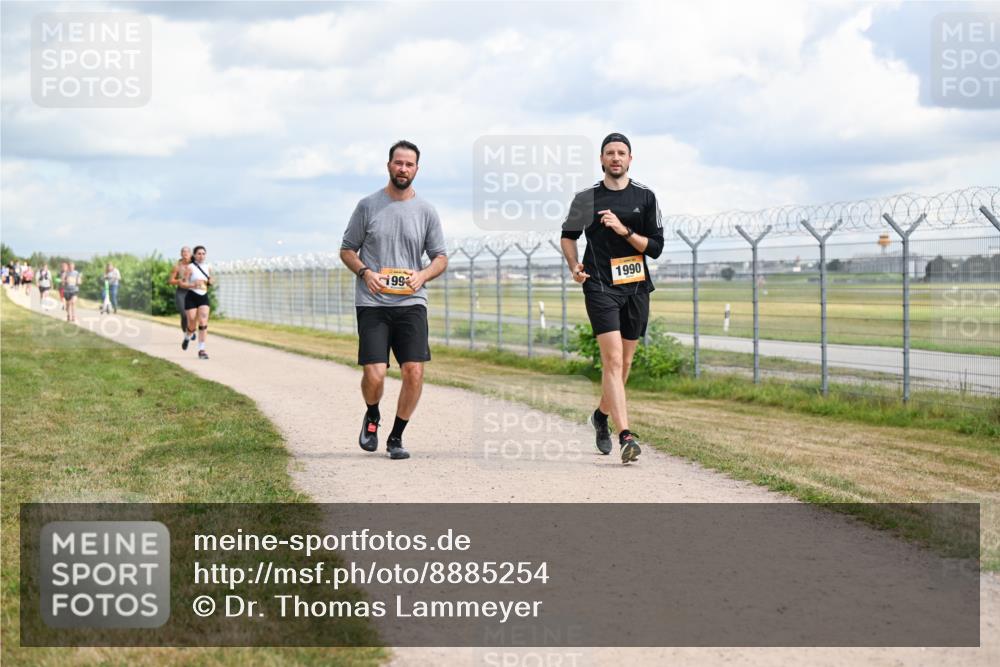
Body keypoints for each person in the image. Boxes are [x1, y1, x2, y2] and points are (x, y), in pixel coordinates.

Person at [339, 140, 448, 460]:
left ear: (417, 169)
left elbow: (440, 257)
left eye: (409, 164)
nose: (403, 169)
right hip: (372, 303)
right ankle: (372, 414)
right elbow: (347, 249)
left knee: (414, 370)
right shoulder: (367, 206)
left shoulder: (426, 211)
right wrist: (365, 273)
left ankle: (396, 437)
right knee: (375, 373)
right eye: (398, 163)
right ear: (389, 166)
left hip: (411, 303)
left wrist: (423, 275)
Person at [560, 132, 664, 464]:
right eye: (609, 153)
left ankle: (601, 417)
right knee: (613, 362)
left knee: (625, 365)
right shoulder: (586, 198)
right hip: (600, 286)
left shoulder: (645, 197)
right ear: (602, 160)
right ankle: (626, 437)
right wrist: (575, 265)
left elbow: (657, 249)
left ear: (630, 159)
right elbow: (567, 237)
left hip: (636, 287)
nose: (615, 158)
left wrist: (625, 231)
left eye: (621, 153)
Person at [181, 245, 213, 360]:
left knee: (203, 323)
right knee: (192, 325)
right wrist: (193, 285)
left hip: (203, 296)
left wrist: (210, 282)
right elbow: (183, 283)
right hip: (191, 297)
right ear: (194, 255)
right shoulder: (190, 267)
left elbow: (210, 281)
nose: (201, 256)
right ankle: (187, 337)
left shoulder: (208, 267)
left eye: (203, 253)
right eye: (199, 253)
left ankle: (201, 350)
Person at [168, 246, 195, 343]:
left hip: (192, 292)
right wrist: (178, 281)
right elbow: (170, 281)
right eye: (183, 252)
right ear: (181, 254)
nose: (185, 253)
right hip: (181, 292)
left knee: (192, 316)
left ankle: (191, 330)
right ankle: (186, 334)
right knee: (184, 315)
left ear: (191, 254)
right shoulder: (177, 266)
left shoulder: (195, 265)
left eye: (187, 252)